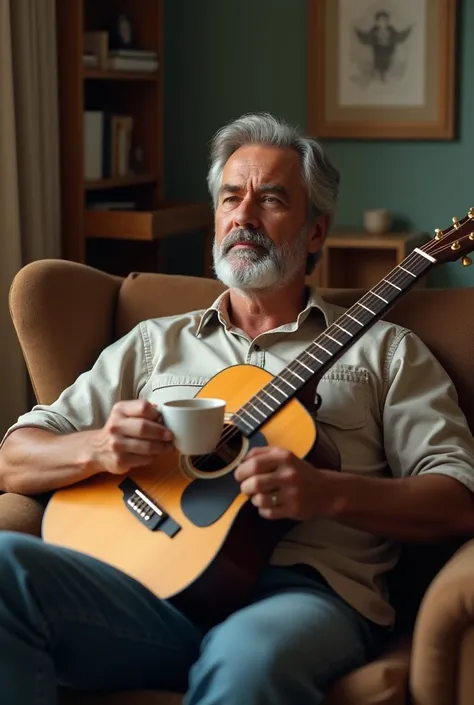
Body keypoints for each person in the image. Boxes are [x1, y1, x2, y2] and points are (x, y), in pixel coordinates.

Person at [1, 112, 474, 705]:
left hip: (300, 597)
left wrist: (328, 492)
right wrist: (96, 447)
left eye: (271, 199)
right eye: (231, 198)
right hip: (143, 592)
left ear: (317, 232)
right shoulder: (153, 343)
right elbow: (14, 459)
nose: (244, 216)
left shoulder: (389, 352)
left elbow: (457, 501)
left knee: (248, 660)